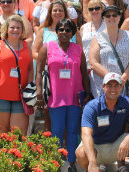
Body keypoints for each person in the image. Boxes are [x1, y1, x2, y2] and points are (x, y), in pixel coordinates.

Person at [36, 18, 92, 171]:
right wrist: (39, 93)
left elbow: (84, 74)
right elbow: (39, 72)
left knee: (73, 131)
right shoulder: (47, 47)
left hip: (74, 96)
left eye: (67, 30)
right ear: (56, 31)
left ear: (72, 33)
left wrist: (87, 93)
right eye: (61, 29)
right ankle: (56, 163)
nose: (64, 32)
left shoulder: (78, 49)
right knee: (57, 131)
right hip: (55, 97)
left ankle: (72, 163)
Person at [76, 72, 129, 172]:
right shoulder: (92, 106)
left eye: (116, 86)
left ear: (121, 87)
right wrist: (92, 162)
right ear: (103, 86)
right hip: (96, 148)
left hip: (118, 146)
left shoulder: (127, 102)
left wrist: (128, 139)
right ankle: (93, 169)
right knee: (80, 154)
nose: (113, 89)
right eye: (109, 86)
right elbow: (85, 134)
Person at [0, 15, 33, 133]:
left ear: (22, 30)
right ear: (6, 29)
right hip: (0, 97)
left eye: (18, 28)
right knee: (2, 134)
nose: (15, 30)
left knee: (19, 134)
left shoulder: (26, 46)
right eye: (12, 27)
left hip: (21, 98)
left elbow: (30, 69)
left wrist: (30, 90)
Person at [88, 6, 129, 98]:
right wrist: (110, 78)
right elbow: (93, 62)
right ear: (104, 18)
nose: (111, 18)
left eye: (114, 15)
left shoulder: (128, 35)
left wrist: (123, 78)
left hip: (125, 84)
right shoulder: (97, 37)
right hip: (104, 85)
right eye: (108, 16)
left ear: (119, 17)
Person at [81, 0, 106, 75]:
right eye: (91, 9)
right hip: (86, 66)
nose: (94, 11)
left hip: (103, 66)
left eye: (97, 8)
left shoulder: (108, 25)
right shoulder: (83, 27)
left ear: (102, 9)